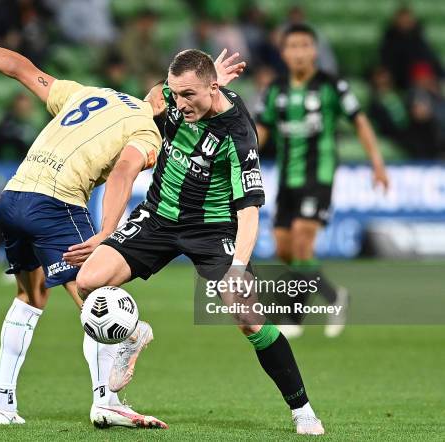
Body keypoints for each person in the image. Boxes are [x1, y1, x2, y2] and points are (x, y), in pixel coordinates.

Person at [0, 11, 246, 429]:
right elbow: (122, 173)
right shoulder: (148, 131)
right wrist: (106, 233)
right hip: (56, 204)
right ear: (165, 105)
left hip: (13, 198)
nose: (179, 104)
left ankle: (2, 406)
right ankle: (109, 396)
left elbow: (23, 69)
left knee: (30, 299)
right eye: (175, 98)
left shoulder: (90, 93)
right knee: (98, 298)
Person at [74, 49, 326, 436]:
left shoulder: (239, 134)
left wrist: (239, 267)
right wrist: (181, 92)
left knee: (247, 316)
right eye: (176, 93)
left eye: (188, 95)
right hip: (158, 215)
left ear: (213, 87)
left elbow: (249, 211)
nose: (179, 104)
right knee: (89, 280)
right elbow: (153, 99)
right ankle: (135, 332)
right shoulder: (175, 98)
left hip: (211, 228)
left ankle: (302, 409)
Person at [254, 24, 389, 338]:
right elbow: (261, 130)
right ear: (283, 53)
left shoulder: (331, 86)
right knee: (285, 250)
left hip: (319, 175)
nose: (299, 52)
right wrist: (239, 160)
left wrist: (377, 163)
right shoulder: (275, 90)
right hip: (288, 178)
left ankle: (292, 317)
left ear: (314, 51)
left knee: (303, 239)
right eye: (293, 46)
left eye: (305, 45)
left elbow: (360, 121)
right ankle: (334, 296)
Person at [0, 92, 36, 161]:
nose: (24, 110)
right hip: (4, 162)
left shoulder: (35, 123)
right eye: (21, 108)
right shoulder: (6, 123)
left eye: (26, 108)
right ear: (15, 107)